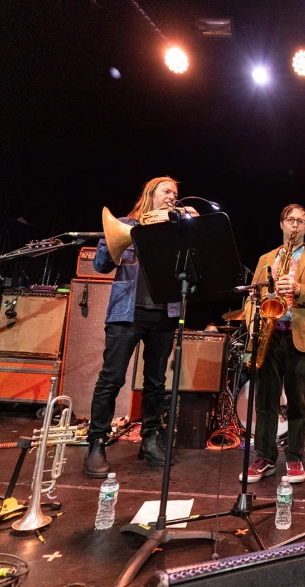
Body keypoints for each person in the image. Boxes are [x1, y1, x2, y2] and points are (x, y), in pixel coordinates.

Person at [83, 176, 198, 478]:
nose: (173, 196)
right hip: (127, 312)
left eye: (176, 192)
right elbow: (101, 265)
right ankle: (96, 443)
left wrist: (192, 233)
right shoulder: (124, 223)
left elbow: (193, 274)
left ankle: (149, 439)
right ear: (151, 194)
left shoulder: (177, 230)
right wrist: (126, 237)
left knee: (156, 383)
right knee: (111, 379)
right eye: (167, 191)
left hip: (164, 313)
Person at [239, 204, 305, 484]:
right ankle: (265, 457)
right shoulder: (266, 258)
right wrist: (255, 323)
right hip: (269, 334)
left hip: (301, 336)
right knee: (265, 402)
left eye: (301, 221)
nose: (295, 225)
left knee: (299, 402)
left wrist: (299, 290)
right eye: (290, 220)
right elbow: (252, 297)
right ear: (281, 224)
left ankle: (294, 458)